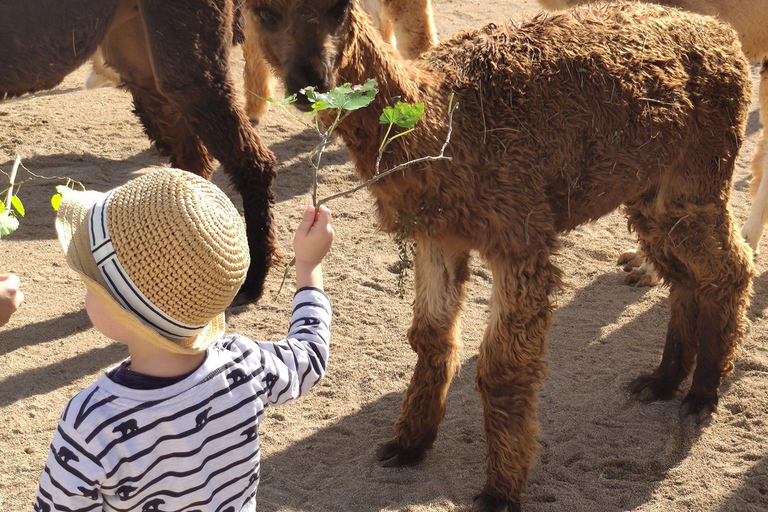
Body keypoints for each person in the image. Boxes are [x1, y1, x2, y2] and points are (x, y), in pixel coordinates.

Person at [34, 168, 334, 512]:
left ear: (123, 308)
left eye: (92, 282)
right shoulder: (246, 365)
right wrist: (308, 266)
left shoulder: (91, 422)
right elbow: (310, 354)